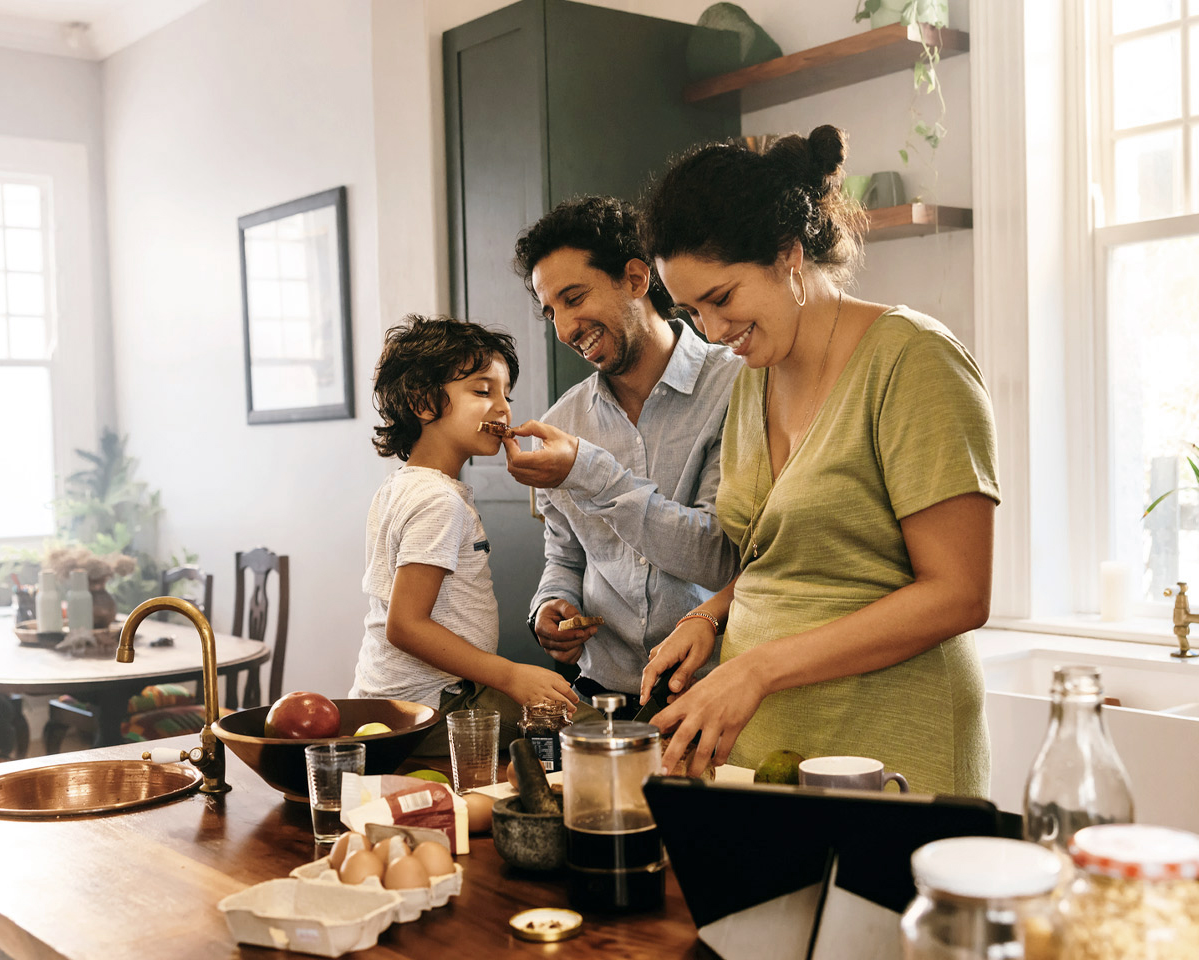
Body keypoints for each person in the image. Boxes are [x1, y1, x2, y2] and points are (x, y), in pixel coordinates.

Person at [638, 126, 999, 796]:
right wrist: (710, 615)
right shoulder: (752, 377)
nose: (712, 332)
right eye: (690, 311)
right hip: (765, 750)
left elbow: (960, 592)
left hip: (892, 748)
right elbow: (793, 555)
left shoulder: (914, 360)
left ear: (789, 253)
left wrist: (757, 669)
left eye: (722, 298)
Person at [502, 197, 742, 720]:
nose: (564, 329)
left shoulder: (737, 386)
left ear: (635, 278)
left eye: (574, 297)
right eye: (551, 312)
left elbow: (720, 556)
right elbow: (565, 556)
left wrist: (587, 472)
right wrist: (549, 609)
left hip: (715, 697)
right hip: (603, 698)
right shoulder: (563, 421)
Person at [350, 315, 578, 753]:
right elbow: (406, 625)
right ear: (422, 403)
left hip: (404, 702)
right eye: (482, 390)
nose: (503, 408)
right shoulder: (439, 501)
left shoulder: (403, 484)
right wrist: (511, 675)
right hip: (435, 708)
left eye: (506, 394)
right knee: (577, 734)